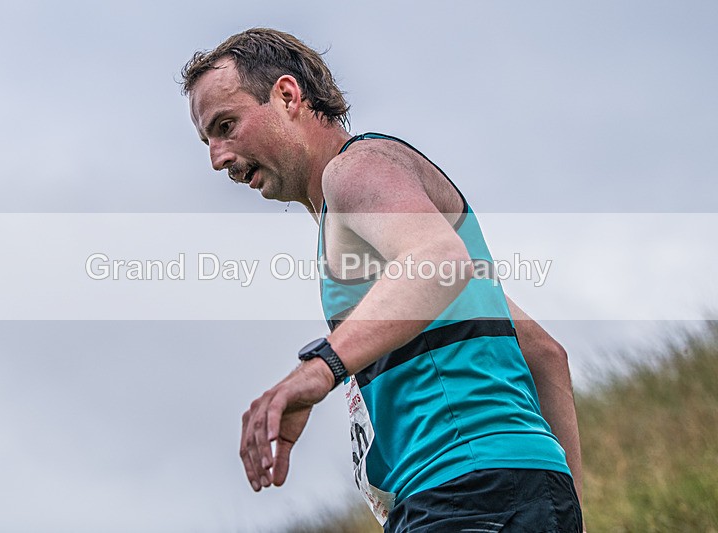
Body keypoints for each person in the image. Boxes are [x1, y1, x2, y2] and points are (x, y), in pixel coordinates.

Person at [181, 28, 585, 532]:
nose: (217, 159)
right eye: (207, 140)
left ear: (287, 96)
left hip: (465, 490)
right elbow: (544, 353)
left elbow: (438, 260)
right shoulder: (359, 224)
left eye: (226, 125)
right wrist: (563, 506)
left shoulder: (354, 168)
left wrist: (320, 368)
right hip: (493, 492)